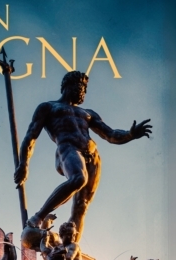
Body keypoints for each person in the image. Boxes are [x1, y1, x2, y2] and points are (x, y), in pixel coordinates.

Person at [14, 71, 152, 242]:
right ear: (68, 86)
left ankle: (71, 246)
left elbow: (110, 134)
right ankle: (38, 217)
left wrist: (130, 134)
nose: (83, 92)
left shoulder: (88, 113)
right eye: (81, 87)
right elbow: (30, 137)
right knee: (78, 178)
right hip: (68, 149)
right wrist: (23, 164)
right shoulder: (48, 107)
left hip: (93, 156)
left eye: (85, 89)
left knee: (82, 205)